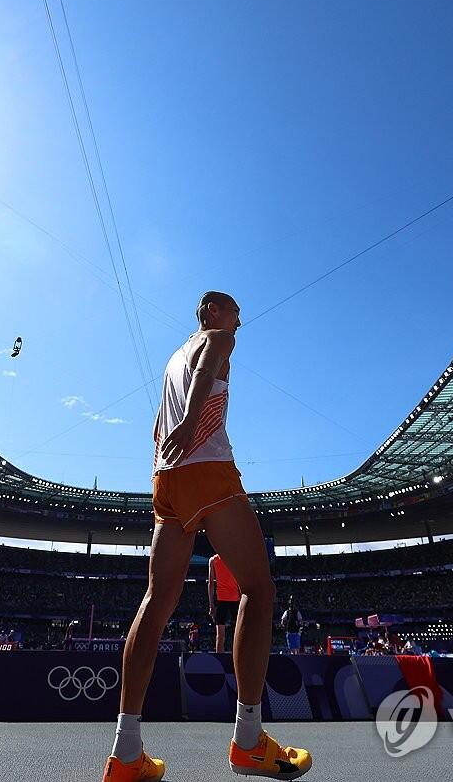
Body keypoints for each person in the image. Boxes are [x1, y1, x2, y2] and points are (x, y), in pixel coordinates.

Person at [102, 291, 311, 782]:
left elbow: (157, 425)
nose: (241, 324)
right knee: (260, 591)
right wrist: (194, 420)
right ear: (217, 311)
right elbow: (206, 373)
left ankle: (125, 751)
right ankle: (248, 740)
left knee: (157, 599)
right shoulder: (216, 339)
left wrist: (172, 446)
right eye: (238, 313)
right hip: (206, 468)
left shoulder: (173, 355)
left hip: (165, 478)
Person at [209, 553, 241, 653]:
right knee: (233, 635)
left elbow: (211, 584)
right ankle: (234, 660)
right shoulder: (235, 558)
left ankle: (222, 661)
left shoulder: (213, 560)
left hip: (224, 600)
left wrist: (211, 604)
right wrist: (211, 605)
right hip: (232, 600)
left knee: (222, 636)